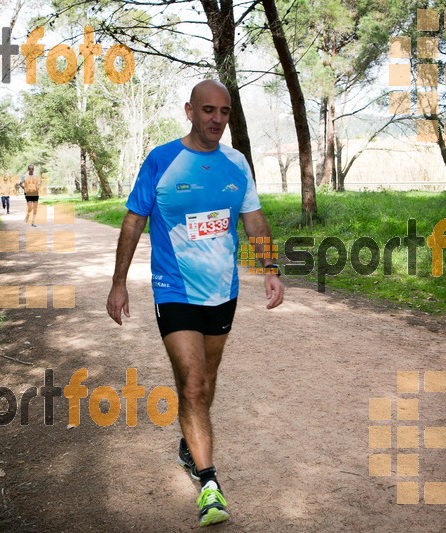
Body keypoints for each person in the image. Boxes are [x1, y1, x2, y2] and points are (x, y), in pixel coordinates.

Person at [106, 79, 284, 527]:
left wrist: (270, 269)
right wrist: (118, 283)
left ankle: (191, 437)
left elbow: (254, 219)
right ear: (189, 110)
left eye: (224, 113)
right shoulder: (162, 160)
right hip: (174, 289)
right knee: (191, 383)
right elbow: (132, 222)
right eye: (208, 111)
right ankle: (209, 483)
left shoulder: (236, 163)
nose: (216, 121)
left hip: (222, 292)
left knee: (206, 384)